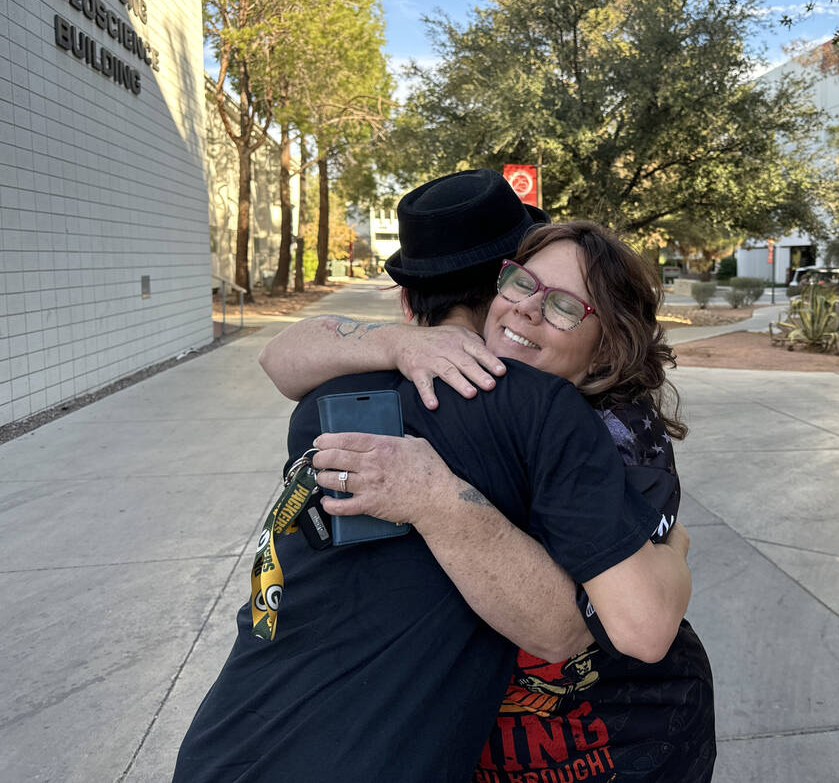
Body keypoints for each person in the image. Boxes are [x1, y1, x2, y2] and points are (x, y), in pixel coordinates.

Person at [173, 170, 691, 783]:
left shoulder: (331, 395)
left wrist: (430, 482)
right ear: (501, 277)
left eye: (561, 304)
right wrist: (676, 551)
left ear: (406, 298)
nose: (527, 305)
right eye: (522, 283)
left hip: (223, 747)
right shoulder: (536, 409)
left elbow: (280, 358)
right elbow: (576, 632)